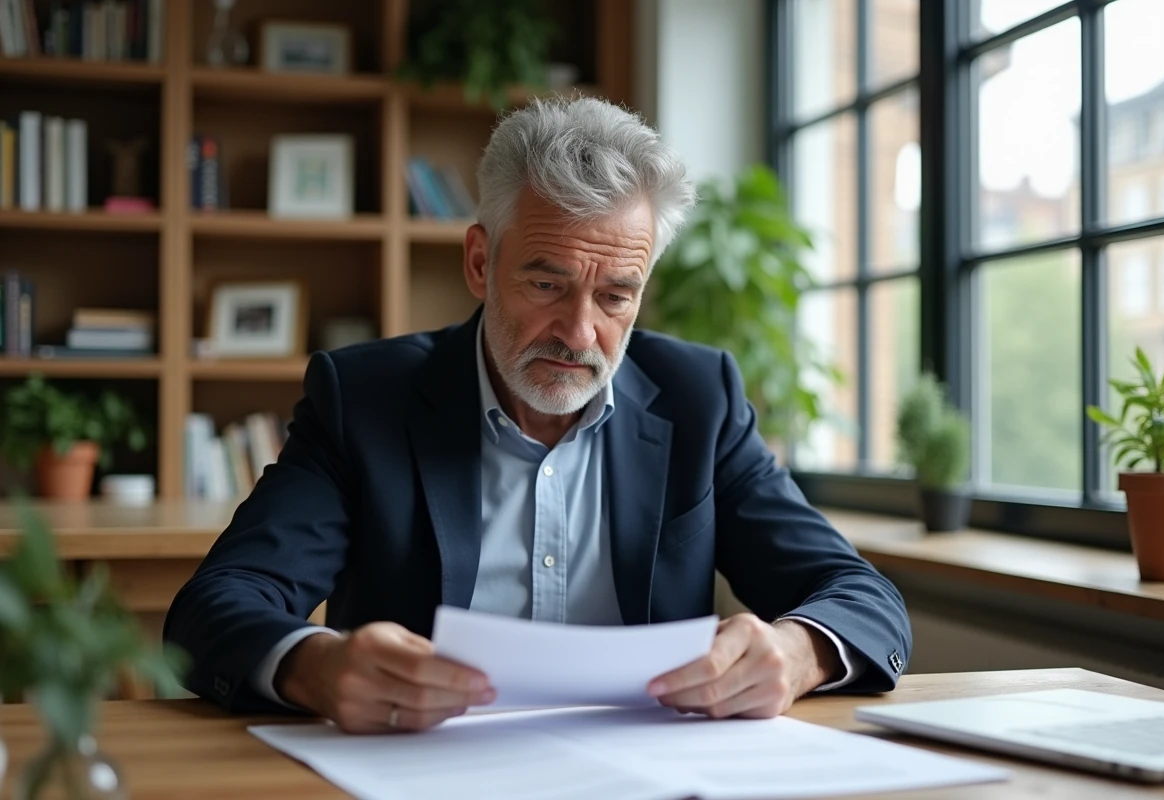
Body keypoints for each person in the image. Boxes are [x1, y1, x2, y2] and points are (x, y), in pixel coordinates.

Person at [163, 96, 911, 734]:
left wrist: (797, 652)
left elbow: (863, 600)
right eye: (547, 285)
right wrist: (313, 665)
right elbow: (213, 609)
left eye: (617, 294)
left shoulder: (698, 398)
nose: (580, 333)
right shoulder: (365, 399)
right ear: (481, 263)